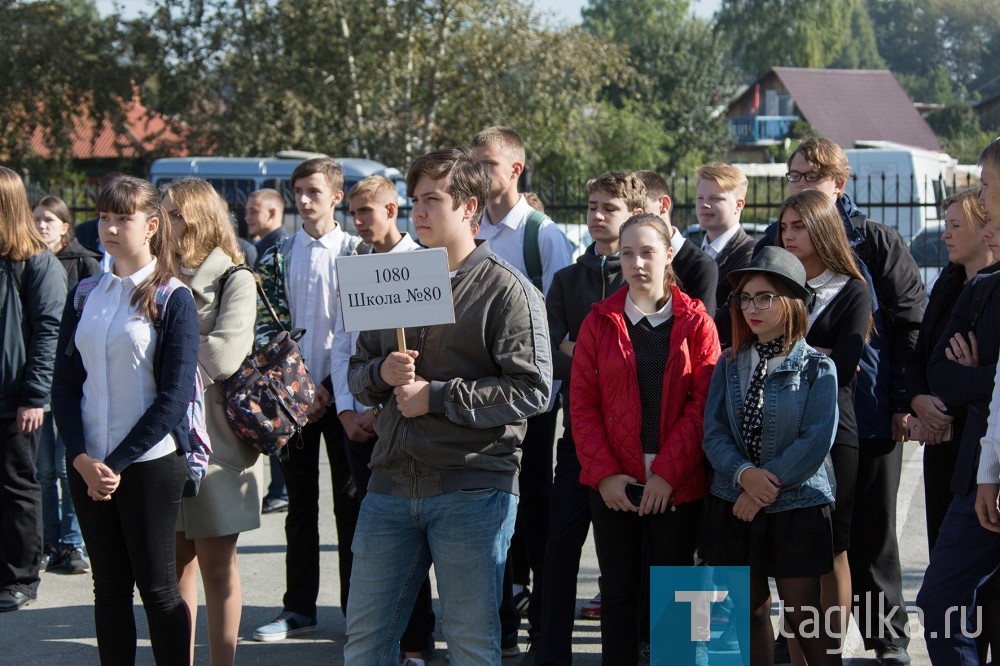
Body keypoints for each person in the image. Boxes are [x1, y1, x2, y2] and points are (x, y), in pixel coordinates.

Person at [344, 147, 552, 664]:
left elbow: (533, 390)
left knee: (471, 646)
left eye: (432, 199)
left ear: (467, 207)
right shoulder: (396, 276)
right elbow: (357, 370)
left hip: (472, 488)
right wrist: (380, 374)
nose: (418, 211)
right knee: (365, 643)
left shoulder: (508, 290)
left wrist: (436, 396)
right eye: (414, 199)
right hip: (390, 484)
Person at [758, 138, 925, 666]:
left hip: (869, 411)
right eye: (795, 176)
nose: (802, 185)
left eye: (812, 176)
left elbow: (909, 324)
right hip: (793, 419)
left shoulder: (876, 242)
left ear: (839, 183)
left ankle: (886, 638)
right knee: (805, 535)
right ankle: (800, 638)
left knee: (870, 535)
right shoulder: (777, 238)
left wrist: (903, 399)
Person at [51, 175, 196, 662]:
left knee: (157, 590)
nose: (110, 228)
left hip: (150, 463)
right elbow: (66, 384)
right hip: (89, 464)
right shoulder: (87, 291)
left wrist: (115, 462)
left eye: (123, 218)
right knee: (108, 588)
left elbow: (174, 397)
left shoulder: (174, 296)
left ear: (152, 225)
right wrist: (81, 458)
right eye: (105, 217)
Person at [571, 212, 720, 664]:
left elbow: (702, 408)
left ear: (669, 254)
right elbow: (583, 406)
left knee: (676, 594)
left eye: (648, 252)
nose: (637, 262)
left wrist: (667, 475)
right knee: (618, 594)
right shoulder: (598, 323)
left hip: (679, 483)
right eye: (628, 252)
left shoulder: (697, 324)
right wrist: (605, 477)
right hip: (615, 484)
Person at [700, 246, 841, 666]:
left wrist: (762, 487)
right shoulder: (729, 364)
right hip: (734, 501)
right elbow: (714, 434)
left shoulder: (818, 368)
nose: (751, 308)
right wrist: (744, 475)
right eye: (744, 298)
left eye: (765, 297)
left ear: (793, 301)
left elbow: (816, 442)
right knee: (749, 612)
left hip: (797, 505)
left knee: (803, 615)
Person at [472, 126, 574, 654]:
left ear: (515, 169)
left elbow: (561, 317)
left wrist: (551, 387)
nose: (478, 172)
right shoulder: (470, 228)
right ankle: (502, 610)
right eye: (474, 163)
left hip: (530, 397)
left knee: (533, 499)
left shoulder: (542, 234)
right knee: (490, 497)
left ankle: (540, 616)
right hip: (478, 391)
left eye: (487, 163)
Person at [532, 170, 641, 663]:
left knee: (628, 562)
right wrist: (592, 354)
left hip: (637, 445)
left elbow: (650, 357)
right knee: (558, 551)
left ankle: (639, 646)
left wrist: (580, 347)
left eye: (609, 208)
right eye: (592, 206)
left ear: (634, 215)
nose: (597, 216)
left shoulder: (645, 279)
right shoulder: (567, 279)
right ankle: (549, 650)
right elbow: (546, 354)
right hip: (577, 440)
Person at [252, 157, 361, 642]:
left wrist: (333, 391)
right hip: (294, 402)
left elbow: (363, 333)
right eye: (298, 190)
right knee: (300, 508)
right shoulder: (276, 255)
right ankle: (298, 608)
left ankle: (357, 608)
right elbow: (267, 329)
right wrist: (303, 390)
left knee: (351, 504)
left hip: (347, 400)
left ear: (336, 196)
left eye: (314, 190)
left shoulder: (358, 253)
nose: (303, 199)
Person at [330, 175, 435, 665]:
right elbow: (342, 343)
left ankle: (416, 641)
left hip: (407, 424)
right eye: (353, 213)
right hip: (360, 420)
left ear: (393, 211)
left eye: (365, 212)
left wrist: (380, 406)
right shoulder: (352, 265)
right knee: (367, 538)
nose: (357, 222)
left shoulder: (421, 265)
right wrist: (349, 409)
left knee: (414, 539)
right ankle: (370, 634)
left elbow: (430, 351)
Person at [161, 178, 261, 665]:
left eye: (172, 214)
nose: (163, 222)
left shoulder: (234, 278)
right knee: (174, 564)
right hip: (163, 440)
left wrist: (162, 364)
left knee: (218, 568)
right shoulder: (157, 274)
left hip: (218, 445)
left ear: (197, 218)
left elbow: (223, 354)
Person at [776, 189, 872, 659]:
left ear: (823, 228)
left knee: (833, 547)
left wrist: (788, 353)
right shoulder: (775, 283)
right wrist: (815, 355)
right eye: (784, 227)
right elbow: (750, 350)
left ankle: (830, 654)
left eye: (798, 226)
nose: (788, 235)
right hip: (778, 432)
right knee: (794, 555)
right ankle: (798, 655)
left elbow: (847, 365)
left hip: (837, 433)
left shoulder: (852, 288)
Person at [908, 187, 1000, 663]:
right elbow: (935, 365)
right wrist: (923, 400)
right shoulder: (961, 285)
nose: (946, 234)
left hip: (979, 444)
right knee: (945, 594)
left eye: (954, 225)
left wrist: (979, 377)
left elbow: (975, 381)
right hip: (963, 459)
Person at [0, 168, 67, 612]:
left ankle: (22, 577)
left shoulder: (37, 263)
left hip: (15, 399)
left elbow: (48, 333)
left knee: (18, 486)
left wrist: (34, 397)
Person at [31, 195, 100, 575]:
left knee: (68, 464)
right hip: (38, 383)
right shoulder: (25, 261)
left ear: (64, 226)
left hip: (73, 377)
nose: (42, 225)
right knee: (42, 469)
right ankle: (48, 542)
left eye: (49, 220)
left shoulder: (85, 262)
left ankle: (73, 543)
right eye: (37, 218)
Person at [244, 187, 290, 515]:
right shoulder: (263, 247)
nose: (246, 218)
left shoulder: (277, 249)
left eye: (253, 211)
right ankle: (280, 488)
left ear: (273, 214)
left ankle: (281, 489)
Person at [635, 169, 718, 313]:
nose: (634, 220)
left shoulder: (701, 266)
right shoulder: (629, 260)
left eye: (640, 212)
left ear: (664, 204)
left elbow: (702, 329)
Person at [695, 163, 756, 347]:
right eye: (700, 197)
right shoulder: (696, 254)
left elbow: (730, 321)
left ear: (738, 205)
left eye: (715, 198)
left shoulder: (750, 254)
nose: (705, 204)